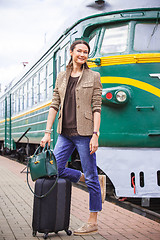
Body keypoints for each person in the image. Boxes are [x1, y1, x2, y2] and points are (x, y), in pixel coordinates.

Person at [40, 40, 105, 235]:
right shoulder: (62, 76)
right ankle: (86, 178)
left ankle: (92, 221)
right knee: (55, 169)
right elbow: (54, 105)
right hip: (65, 134)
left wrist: (95, 134)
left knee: (92, 176)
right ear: (71, 52)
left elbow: (96, 108)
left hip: (85, 134)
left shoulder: (94, 76)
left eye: (86, 52)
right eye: (79, 51)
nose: (82, 54)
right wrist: (46, 132)